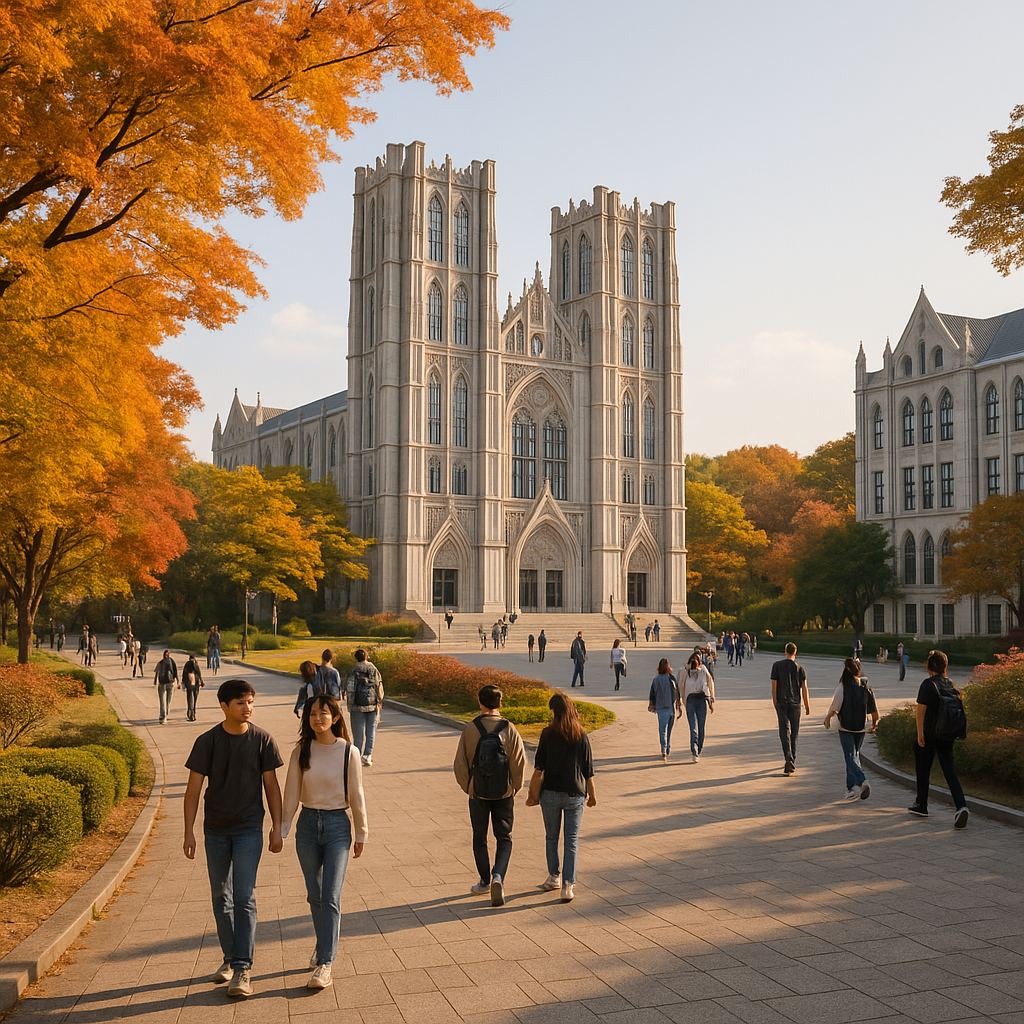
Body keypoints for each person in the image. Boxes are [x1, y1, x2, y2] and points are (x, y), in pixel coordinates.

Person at [183, 679, 284, 999]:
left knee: (244, 896)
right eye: (240, 702)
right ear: (224, 706)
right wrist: (188, 830)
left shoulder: (263, 740)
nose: (248, 707)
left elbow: (272, 788)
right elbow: (193, 790)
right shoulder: (207, 741)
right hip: (214, 829)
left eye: (251, 701)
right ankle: (229, 957)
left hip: (248, 829)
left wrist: (277, 826)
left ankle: (242, 968)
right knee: (219, 896)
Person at [282, 693, 368, 991]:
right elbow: (291, 791)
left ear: (335, 717)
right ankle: (322, 946)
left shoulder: (349, 752)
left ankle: (325, 963)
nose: (318, 718)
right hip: (307, 825)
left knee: (330, 895)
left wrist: (361, 833)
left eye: (324, 713)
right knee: (314, 895)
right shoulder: (301, 751)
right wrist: (282, 827)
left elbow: (356, 795)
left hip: (337, 827)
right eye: (313, 714)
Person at [453, 685, 526, 907]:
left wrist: (469, 786)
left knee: (479, 837)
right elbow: (519, 762)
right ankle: (498, 877)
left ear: (480, 702)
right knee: (504, 838)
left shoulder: (471, 728)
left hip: (478, 792)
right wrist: (514, 787)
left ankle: (484, 880)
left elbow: (460, 764)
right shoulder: (509, 728)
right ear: (500, 703)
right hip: (504, 792)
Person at [525, 693, 597, 903]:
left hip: (550, 793)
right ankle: (568, 885)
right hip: (575, 793)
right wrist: (592, 794)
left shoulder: (547, 734)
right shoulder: (581, 735)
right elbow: (588, 770)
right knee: (571, 840)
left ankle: (553, 877)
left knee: (551, 837)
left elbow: (539, 767)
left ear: (554, 712)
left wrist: (533, 794)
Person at [909, 650, 969, 828]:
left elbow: (920, 712)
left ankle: (921, 804)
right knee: (949, 771)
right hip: (947, 734)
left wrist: (920, 733)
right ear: (945, 667)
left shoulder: (928, 684)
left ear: (929, 666)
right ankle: (961, 806)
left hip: (929, 734)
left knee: (923, 767)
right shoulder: (949, 684)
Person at [824, 658, 879, 800]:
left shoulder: (843, 686)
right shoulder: (865, 685)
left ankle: (862, 781)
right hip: (860, 727)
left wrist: (828, 717)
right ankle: (851, 788)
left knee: (850, 756)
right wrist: (874, 724)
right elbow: (873, 708)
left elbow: (835, 705)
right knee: (854, 756)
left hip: (845, 727)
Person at [770, 642, 810, 775]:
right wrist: (807, 705)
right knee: (795, 732)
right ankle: (793, 758)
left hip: (781, 702)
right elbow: (804, 688)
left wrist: (775, 701)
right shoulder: (800, 668)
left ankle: (788, 757)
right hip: (795, 703)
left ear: (785, 651)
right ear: (795, 651)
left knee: (784, 731)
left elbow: (774, 685)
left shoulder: (777, 666)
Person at [346, 648, 384, 767]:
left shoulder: (353, 670)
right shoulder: (374, 669)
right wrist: (379, 701)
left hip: (357, 705)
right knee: (371, 730)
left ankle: (357, 756)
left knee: (358, 733)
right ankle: (367, 756)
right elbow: (379, 686)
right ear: (367, 657)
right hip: (372, 705)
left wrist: (350, 705)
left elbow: (350, 689)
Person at [682, 652, 715, 762]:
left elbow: (709, 683)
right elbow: (681, 685)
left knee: (698, 727)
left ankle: (697, 749)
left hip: (699, 699)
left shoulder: (703, 671)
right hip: (693, 700)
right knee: (695, 727)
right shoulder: (685, 671)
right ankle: (695, 749)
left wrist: (711, 698)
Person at [649, 658, 681, 761]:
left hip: (660, 707)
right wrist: (678, 704)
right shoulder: (671, 678)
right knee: (669, 730)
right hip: (670, 706)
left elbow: (652, 694)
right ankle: (667, 746)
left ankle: (664, 747)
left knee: (662, 730)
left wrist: (653, 705)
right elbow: (677, 692)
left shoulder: (656, 680)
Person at [154, 649, 180, 724]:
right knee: (168, 700)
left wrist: (155, 680)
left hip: (162, 683)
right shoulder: (172, 662)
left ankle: (163, 715)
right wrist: (178, 681)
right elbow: (175, 672)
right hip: (170, 683)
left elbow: (157, 671)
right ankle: (165, 712)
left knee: (162, 701)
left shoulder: (160, 662)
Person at [182, 652, 205, 722]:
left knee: (189, 700)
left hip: (189, 685)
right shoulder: (196, 665)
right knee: (195, 700)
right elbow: (199, 674)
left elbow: (184, 675)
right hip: (196, 685)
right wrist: (201, 681)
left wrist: (184, 683)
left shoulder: (187, 664)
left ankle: (190, 714)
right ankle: (193, 714)